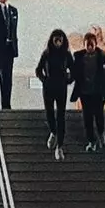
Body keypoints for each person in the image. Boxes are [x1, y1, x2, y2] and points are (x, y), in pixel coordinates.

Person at [35, 28, 73, 161]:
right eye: (56, 39)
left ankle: (60, 146)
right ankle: (53, 131)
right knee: (49, 113)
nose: (58, 42)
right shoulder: (47, 53)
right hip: (49, 87)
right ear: (52, 40)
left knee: (61, 116)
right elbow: (38, 70)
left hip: (61, 87)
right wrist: (44, 80)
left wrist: (68, 80)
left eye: (60, 39)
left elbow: (73, 70)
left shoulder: (67, 55)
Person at [72, 31, 105, 151]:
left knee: (99, 115)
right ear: (84, 44)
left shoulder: (103, 57)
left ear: (96, 44)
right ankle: (91, 140)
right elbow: (75, 72)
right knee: (87, 117)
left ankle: (101, 134)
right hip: (85, 92)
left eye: (92, 44)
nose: (90, 47)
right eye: (87, 45)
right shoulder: (79, 56)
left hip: (98, 91)